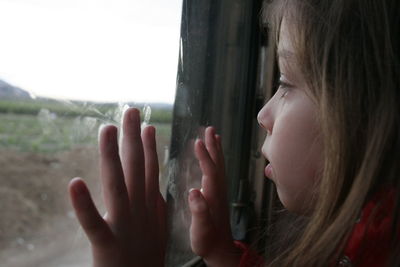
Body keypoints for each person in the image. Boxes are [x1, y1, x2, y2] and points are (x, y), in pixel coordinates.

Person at [68, 0, 400, 266]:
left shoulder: (382, 243)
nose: (262, 115)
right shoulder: (368, 228)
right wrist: (222, 252)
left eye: (285, 84)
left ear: (359, 108)